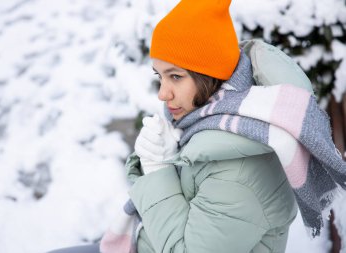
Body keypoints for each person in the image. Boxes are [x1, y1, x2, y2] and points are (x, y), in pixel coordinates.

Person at [48, 0, 346, 252]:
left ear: (210, 76)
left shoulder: (242, 172)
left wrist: (157, 169)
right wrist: (156, 163)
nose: (162, 94)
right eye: (159, 77)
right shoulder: (205, 120)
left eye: (175, 76)